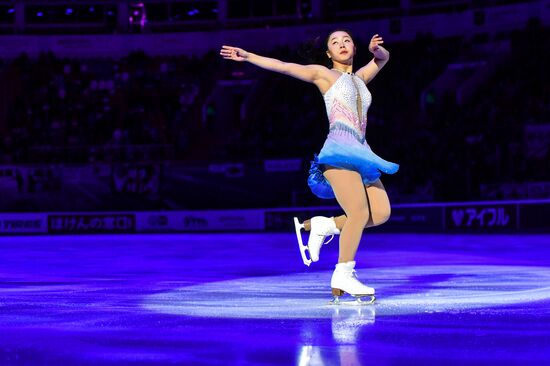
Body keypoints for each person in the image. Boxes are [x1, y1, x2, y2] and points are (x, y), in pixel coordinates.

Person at [220, 30, 399, 303]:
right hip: (338, 151)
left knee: (382, 212)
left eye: (346, 40)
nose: (341, 44)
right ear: (328, 53)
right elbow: (285, 67)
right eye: (334, 42)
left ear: (354, 47)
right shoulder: (324, 74)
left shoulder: (361, 78)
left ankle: (323, 225)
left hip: (363, 153)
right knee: (359, 212)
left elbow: (383, 59)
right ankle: (343, 273)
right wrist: (248, 56)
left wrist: (377, 51)